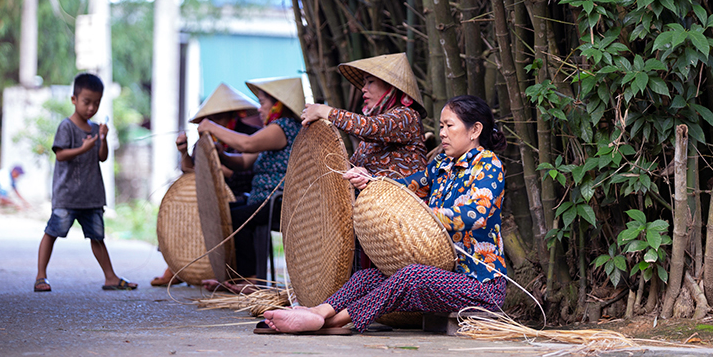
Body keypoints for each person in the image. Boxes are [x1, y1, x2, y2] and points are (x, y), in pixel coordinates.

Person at [262, 95, 508, 334]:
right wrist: (370, 180)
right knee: (367, 277)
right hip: (445, 276)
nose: (442, 132)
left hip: (480, 285)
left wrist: (424, 217)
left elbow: (476, 214)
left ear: (474, 130)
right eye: (441, 126)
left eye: (449, 126)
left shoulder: (488, 164)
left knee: (413, 275)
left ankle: (333, 322)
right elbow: (407, 185)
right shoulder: (441, 165)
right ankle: (318, 312)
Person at [33, 73, 137, 293]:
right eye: (86, 102)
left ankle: (110, 277)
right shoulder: (66, 127)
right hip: (68, 195)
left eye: (96, 103)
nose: (91, 108)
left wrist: (103, 138)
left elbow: (102, 156)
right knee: (52, 232)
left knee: (97, 237)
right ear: (74, 100)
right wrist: (83, 148)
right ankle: (41, 276)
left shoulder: (94, 128)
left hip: (91, 195)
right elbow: (60, 155)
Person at [198, 76, 304, 291]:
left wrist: (212, 127)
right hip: (264, 200)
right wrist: (222, 154)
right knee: (226, 212)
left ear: (278, 104)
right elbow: (243, 161)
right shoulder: (273, 129)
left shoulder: (283, 127)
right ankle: (234, 276)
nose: (260, 109)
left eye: (263, 103)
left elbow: (247, 144)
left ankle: (253, 279)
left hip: (280, 202)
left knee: (238, 218)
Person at [151, 83, 261, 287]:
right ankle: (177, 266)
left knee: (224, 211)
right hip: (210, 194)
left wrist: (217, 161)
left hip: (239, 194)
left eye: (218, 118)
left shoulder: (250, 134)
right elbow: (190, 171)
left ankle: (229, 273)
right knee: (180, 210)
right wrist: (184, 151)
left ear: (232, 114)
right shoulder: (206, 139)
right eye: (210, 119)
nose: (213, 123)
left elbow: (242, 169)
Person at [300, 53, 427, 180]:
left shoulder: (407, 116)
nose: (363, 89)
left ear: (391, 86)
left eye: (370, 81)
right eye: (364, 82)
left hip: (402, 198)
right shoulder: (372, 132)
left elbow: (369, 127)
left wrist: (324, 111)